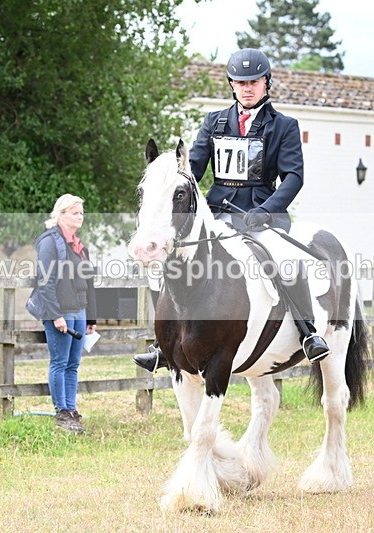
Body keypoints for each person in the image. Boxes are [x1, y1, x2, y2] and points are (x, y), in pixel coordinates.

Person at [133, 48, 329, 373]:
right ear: (231, 85)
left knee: (288, 261)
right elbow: (193, 168)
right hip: (218, 213)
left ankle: (308, 333)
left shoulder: (284, 126)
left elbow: (294, 177)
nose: (247, 88)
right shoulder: (214, 121)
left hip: (261, 214)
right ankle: (164, 344)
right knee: (171, 263)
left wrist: (267, 210)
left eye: (254, 81)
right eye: (240, 82)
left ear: (267, 83)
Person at [26, 194, 97, 433]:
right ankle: (61, 413)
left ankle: (71, 409)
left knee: (73, 365)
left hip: (79, 311)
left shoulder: (79, 246)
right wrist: (55, 315)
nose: (80, 216)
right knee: (59, 362)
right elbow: (45, 282)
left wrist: (92, 319)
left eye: (81, 213)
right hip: (60, 312)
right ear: (61, 214)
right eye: (75, 212)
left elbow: (89, 282)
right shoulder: (49, 242)